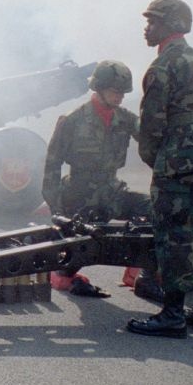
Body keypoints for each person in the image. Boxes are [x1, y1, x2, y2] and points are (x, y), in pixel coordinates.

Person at [126, 0, 193, 339]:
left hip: (178, 164)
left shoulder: (162, 68)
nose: (147, 27)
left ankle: (172, 314)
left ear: (171, 25)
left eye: (153, 21)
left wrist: (161, 160)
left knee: (176, 237)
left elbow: (152, 127)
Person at [41, 59, 147, 297]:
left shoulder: (124, 118)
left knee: (155, 210)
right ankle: (62, 276)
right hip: (80, 195)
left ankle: (145, 273)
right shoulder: (73, 120)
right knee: (83, 248)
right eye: (114, 91)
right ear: (98, 89)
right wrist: (56, 207)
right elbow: (52, 163)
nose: (119, 97)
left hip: (111, 191)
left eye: (122, 92)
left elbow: (151, 138)